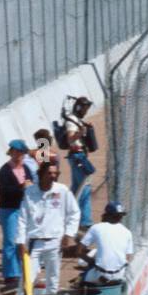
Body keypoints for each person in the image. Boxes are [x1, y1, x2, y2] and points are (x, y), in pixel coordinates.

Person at [14, 160, 80, 295]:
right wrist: (21, 242)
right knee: (27, 279)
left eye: (55, 173)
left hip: (55, 241)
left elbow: (74, 213)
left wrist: (68, 235)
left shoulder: (62, 191)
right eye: (49, 173)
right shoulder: (30, 192)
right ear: (41, 174)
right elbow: (22, 218)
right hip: (34, 242)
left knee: (53, 280)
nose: (52, 176)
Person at [0, 140, 33, 291]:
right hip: (10, 209)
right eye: (15, 152)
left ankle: (23, 271)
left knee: (23, 241)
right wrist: (21, 187)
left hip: (23, 209)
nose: (18, 155)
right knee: (11, 241)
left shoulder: (27, 168)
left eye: (21, 152)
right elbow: (5, 191)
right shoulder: (5, 171)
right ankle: (12, 274)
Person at [61, 96, 97, 230]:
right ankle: (85, 222)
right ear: (78, 107)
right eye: (85, 108)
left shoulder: (76, 120)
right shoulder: (71, 122)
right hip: (77, 157)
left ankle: (67, 215)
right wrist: (80, 133)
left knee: (76, 189)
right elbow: (70, 138)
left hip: (78, 156)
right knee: (85, 188)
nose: (86, 111)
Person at [78, 201, 134, 285]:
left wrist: (91, 261)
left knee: (82, 279)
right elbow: (129, 258)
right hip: (119, 276)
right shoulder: (127, 232)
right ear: (121, 217)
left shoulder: (96, 228)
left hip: (100, 275)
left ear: (107, 214)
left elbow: (78, 251)